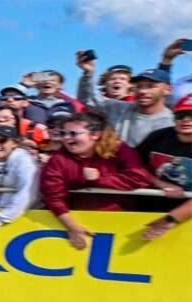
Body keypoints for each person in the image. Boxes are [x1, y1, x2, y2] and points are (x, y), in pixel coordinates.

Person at [40, 111, 153, 248]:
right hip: (75, 222)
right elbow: (53, 195)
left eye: (74, 133)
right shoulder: (58, 159)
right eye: (64, 133)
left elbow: (140, 177)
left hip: (121, 224)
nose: (67, 138)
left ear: (95, 135)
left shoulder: (120, 150)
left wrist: (101, 179)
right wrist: (72, 226)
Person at [78, 54, 174, 147]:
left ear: (168, 90)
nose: (142, 91)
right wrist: (88, 73)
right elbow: (88, 99)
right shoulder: (119, 108)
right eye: (139, 86)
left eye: (151, 86)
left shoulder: (171, 123)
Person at [136, 94, 192, 240]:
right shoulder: (158, 137)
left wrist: (171, 219)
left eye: (191, 115)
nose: (186, 120)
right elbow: (133, 165)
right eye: (181, 115)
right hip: (143, 211)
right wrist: (159, 182)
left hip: (184, 218)